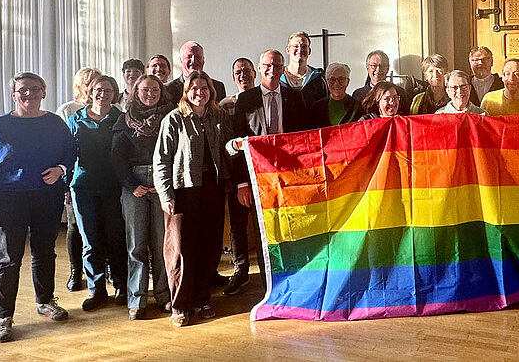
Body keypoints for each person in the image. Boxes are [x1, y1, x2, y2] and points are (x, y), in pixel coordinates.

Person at [0, 72, 77, 343]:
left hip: (46, 197)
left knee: (45, 253)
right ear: (14, 95)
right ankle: (4, 317)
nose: (28, 94)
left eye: (34, 89)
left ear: (44, 92)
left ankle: (45, 301)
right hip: (8, 200)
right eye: (22, 90)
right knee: (8, 259)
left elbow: (70, 152)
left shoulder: (55, 123)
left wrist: (61, 169)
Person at [154, 71, 232, 326]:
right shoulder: (174, 119)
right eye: (194, 88)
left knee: (210, 247)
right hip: (183, 191)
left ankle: (202, 299)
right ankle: (180, 305)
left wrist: (237, 147)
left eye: (204, 88)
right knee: (181, 250)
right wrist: (166, 194)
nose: (200, 93)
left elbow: (227, 148)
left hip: (213, 188)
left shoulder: (218, 116)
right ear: (186, 92)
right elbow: (161, 161)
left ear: (211, 90)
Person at [225, 49, 306, 295]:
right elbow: (238, 144)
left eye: (278, 65)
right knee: (262, 229)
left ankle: (290, 277)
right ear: (260, 68)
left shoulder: (296, 97)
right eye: (268, 65)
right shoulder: (245, 100)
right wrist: (241, 184)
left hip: (287, 177)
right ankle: (267, 284)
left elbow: (303, 140)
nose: (272, 69)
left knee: (287, 227)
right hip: (255, 176)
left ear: (283, 69)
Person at [111, 74, 174, 320]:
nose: (150, 94)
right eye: (145, 90)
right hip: (133, 185)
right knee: (136, 245)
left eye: (155, 90)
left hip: (162, 183)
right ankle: (136, 299)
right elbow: (116, 158)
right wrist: (132, 185)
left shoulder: (171, 117)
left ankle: (163, 295)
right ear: (136, 92)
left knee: (161, 244)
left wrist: (165, 183)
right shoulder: (124, 120)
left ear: (162, 92)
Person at [68, 75, 128, 311]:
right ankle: (97, 289)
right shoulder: (76, 119)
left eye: (109, 90)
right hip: (83, 187)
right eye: (99, 90)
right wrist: (65, 186)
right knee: (90, 241)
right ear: (90, 92)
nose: (103, 94)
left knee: (115, 237)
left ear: (115, 94)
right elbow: (67, 154)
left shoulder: (120, 119)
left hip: (114, 186)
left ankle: (121, 285)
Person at [55, 66, 101, 293]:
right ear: (79, 86)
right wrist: (64, 184)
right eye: (87, 82)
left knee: (100, 225)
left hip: (102, 179)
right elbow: (60, 150)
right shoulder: (67, 111)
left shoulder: (108, 109)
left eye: (96, 82)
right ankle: (76, 270)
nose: (91, 87)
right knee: (75, 225)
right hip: (75, 179)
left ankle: (103, 269)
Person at [281, 31, 328, 106]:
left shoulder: (319, 79)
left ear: (309, 51)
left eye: (304, 46)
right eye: (296, 46)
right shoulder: (278, 78)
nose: (300, 50)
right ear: (288, 50)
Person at [309, 63, 363, 127]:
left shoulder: (357, 107)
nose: (336, 84)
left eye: (341, 79)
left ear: (347, 82)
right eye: (332, 79)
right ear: (327, 82)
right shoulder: (316, 108)